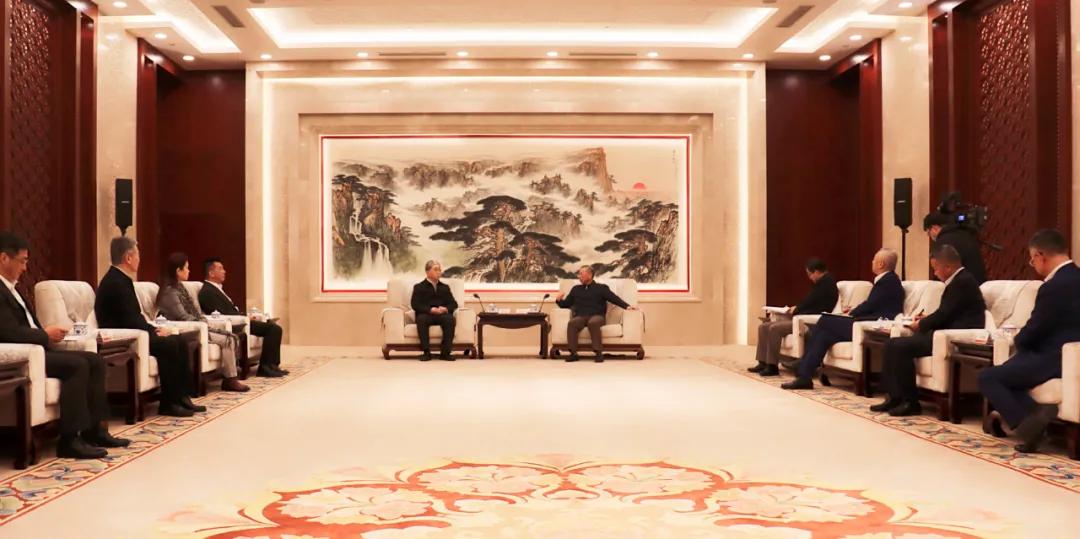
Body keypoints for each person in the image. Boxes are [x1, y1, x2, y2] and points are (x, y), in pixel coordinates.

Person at [0, 232, 130, 458]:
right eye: (22, 261)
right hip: (22, 358)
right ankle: (70, 440)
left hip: (39, 350)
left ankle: (96, 430)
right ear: (4, 258)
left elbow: (26, 326)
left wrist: (50, 334)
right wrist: (45, 334)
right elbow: (8, 332)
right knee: (76, 366)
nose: (25, 268)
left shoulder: (14, 289)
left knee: (95, 361)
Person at [979, 229, 1080, 453]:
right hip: (1072, 355)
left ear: (1040, 255)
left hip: (1054, 357)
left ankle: (1028, 426)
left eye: (1032, 259)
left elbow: (1036, 328)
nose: (1033, 264)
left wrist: (1019, 342)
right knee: (1008, 371)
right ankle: (1036, 416)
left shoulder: (1053, 287)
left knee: (989, 377)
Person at [871, 245, 985, 416]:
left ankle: (910, 402)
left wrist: (921, 324)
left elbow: (945, 314)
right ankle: (894, 397)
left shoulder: (963, 282)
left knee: (899, 347)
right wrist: (925, 320)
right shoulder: (958, 281)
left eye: (936, 268)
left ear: (948, 267)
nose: (935, 273)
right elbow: (946, 312)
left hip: (953, 337)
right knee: (891, 344)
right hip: (943, 332)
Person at [95, 237, 203, 417]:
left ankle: (182, 397)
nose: (139, 259)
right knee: (170, 344)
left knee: (179, 341)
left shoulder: (121, 279)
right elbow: (129, 320)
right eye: (137, 254)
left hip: (133, 331)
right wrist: (154, 331)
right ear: (128, 257)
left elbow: (133, 317)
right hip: (123, 338)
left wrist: (153, 330)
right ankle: (168, 403)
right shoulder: (115, 282)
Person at [782, 248, 905, 390]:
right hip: (865, 322)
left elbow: (870, 305)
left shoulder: (888, 282)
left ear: (881, 264)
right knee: (824, 336)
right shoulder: (887, 281)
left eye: (874, 259)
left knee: (825, 320)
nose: (872, 262)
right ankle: (804, 376)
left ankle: (803, 364)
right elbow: (873, 304)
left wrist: (852, 313)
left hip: (871, 326)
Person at [156, 253, 249, 392]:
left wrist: (202, 320)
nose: (189, 271)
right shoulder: (169, 291)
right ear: (178, 271)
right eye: (186, 268)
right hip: (186, 330)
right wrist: (201, 323)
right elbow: (182, 316)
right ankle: (230, 379)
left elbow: (194, 312)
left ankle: (230, 376)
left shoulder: (181, 288)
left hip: (196, 326)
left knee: (230, 336)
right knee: (227, 339)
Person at [198, 258, 288, 377]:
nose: (224, 271)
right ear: (211, 273)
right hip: (235, 325)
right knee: (273, 329)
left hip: (241, 320)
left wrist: (246, 316)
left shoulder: (216, 288)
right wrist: (244, 318)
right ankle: (265, 367)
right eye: (220, 268)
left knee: (272, 325)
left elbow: (231, 310)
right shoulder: (207, 291)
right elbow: (220, 313)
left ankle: (272, 365)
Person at [750, 258, 838, 377]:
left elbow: (810, 302)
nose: (810, 278)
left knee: (774, 329)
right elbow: (810, 301)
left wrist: (796, 309)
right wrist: (795, 309)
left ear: (816, 272)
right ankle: (762, 362)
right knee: (763, 327)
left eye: (810, 274)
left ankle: (772, 366)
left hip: (807, 322)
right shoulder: (822, 283)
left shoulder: (826, 283)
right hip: (801, 318)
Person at [555, 266, 637, 363]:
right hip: (581, 317)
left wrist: (627, 306)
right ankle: (573, 353)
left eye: (581, 274)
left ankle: (598, 353)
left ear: (590, 275)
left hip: (597, 316)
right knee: (572, 323)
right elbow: (566, 304)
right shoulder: (575, 289)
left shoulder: (601, 288)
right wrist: (559, 300)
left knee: (593, 323)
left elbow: (614, 298)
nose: (579, 276)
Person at [409, 260, 458, 361]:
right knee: (421, 319)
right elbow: (415, 304)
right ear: (427, 272)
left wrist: (446, 309)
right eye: (435, 269)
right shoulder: (419, 287)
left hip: (441, 314)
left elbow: (454, 304)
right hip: (427, 314)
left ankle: (445, 353)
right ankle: (426, 352)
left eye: (439, 270)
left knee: (450, 319)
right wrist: (430, 310)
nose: (439, 272)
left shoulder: (445, 287)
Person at [924, 212, 986, 284]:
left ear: (934, 228)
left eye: (929, 232)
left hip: (960, 286)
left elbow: (942, 271)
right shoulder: (967, 235)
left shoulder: (943, 241)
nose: (929, 236)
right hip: (978, 285)